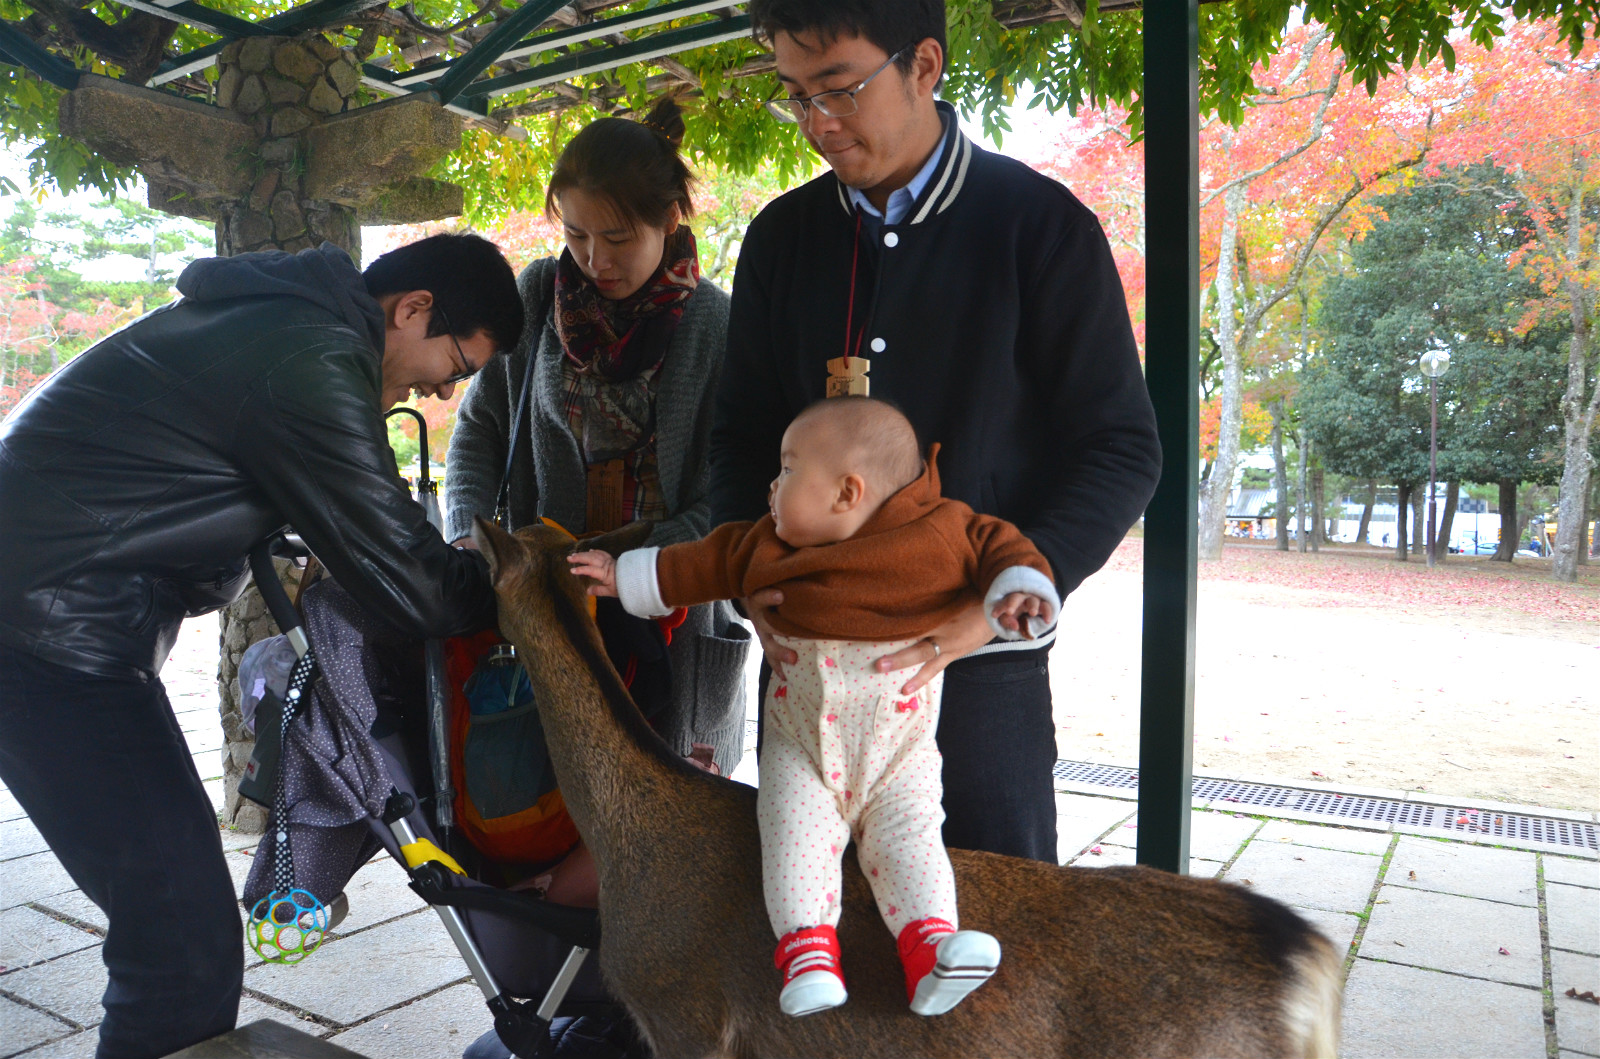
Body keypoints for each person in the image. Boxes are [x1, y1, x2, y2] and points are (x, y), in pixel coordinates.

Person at [0, 233, 522, 1058]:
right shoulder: (309, 358)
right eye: (454, 364)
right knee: (178, 938)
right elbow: (411, 581)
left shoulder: (287, 323)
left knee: (173, 924)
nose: (443, 388)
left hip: (57, 621)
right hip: (45, 636)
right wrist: (515, 589)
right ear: (413, 309)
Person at [710, 0, 1162, 864]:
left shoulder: (1039, 228)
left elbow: (1121, 446)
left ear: (923, 65)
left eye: (839, 90)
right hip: (812, 664)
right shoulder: (781, 239)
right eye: (796, 96)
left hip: (977, 665)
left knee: (994, 933)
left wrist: (1009, 596)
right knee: (813, 923)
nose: (818, 124)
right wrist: (747, 570)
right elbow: (738, 433)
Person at [570, 398, 1060, 1019]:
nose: (771, 487)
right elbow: (704, 561)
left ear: (847, 492)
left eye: (788, 470)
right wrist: (625, 576)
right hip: (800, 747)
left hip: (898, 756)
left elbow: (1003, 548)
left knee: (910, 839)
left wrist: (1021, 592)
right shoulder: (768, 545)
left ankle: (932, 950)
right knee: (791, 836)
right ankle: (808, 953)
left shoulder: (943, 532)